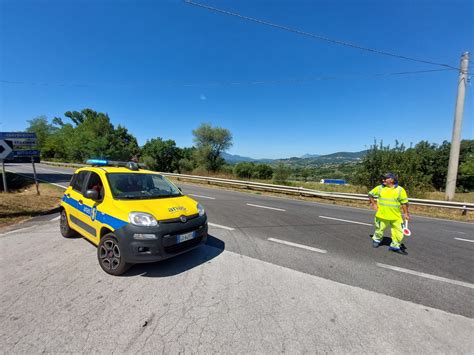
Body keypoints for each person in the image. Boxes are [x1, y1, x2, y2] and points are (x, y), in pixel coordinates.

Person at [368, 173, 410, 254]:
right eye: (383, 178)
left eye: (385, 178)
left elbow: (404, 203)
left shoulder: (400, 190)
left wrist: (406, 213)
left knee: (399, 232)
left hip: (396, 217)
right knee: (379, 230)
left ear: (392, 180)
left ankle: (395, 246)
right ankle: (376, 240)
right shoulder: (379, 188)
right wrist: (373, 204)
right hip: (382, 216)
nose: (383, 180)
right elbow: (370, 194)